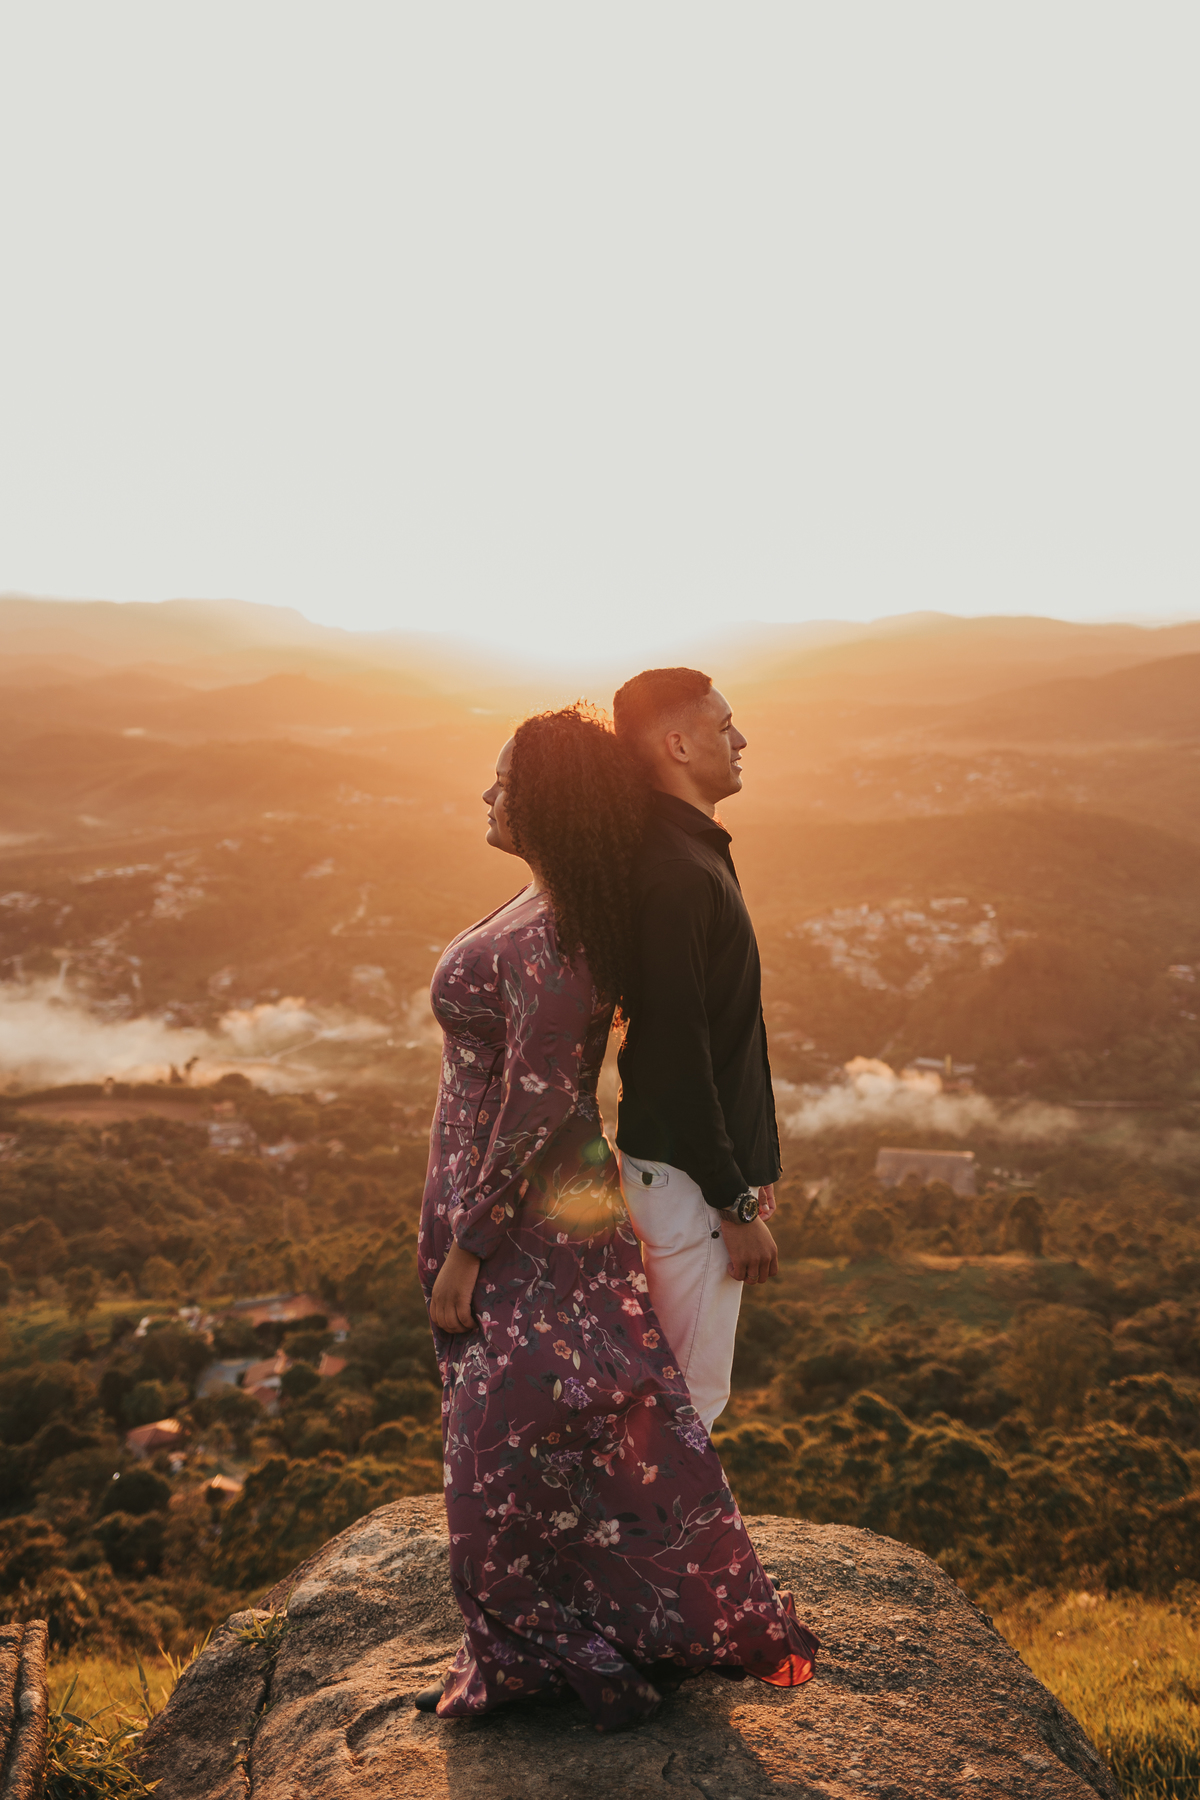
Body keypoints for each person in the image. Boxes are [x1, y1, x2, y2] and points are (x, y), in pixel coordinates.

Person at [416, 704, 818, 1732]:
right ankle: (579, 1627)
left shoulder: (559, 934)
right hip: (496, 1203)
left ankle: (555, 1645)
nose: (488, 796)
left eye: (506, 782)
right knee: (536, 1434)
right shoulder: (545, 898)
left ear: (548, 800)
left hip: (528, 1220)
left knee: (505, 1443)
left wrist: (472, 1246)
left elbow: (543, 1102)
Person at [612, 667, 780, 1432]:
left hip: (695, 1178)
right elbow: (674, 1054)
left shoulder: (689, 850)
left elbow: (719, 1029)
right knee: (685, 1405)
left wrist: (751, 1164)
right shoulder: (678, 871)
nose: (740, 739)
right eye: (723, 725)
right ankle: (659, 1522)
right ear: (677, 745)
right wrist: (730, 1198)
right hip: (691, 1188)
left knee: (679, 1396)